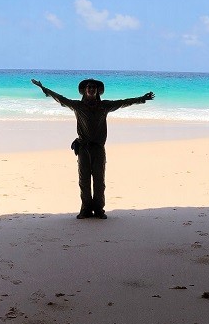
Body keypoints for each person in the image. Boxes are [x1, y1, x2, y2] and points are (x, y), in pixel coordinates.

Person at [32, 77, 154, 219]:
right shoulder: (77, 106)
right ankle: (86, 210)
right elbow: (60, 99)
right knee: (84, 181)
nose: (91, 89)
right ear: (84, 90)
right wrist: (43, 88)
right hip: (83, 148)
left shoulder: (105, 106)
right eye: (89, 87)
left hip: (98, 148)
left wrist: (141, 98)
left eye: (93, 87)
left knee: (99, 181)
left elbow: (123, 103)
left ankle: (99, 210)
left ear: (97, 91)